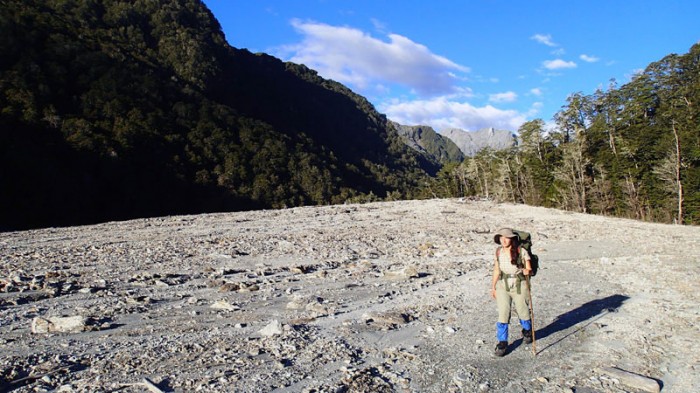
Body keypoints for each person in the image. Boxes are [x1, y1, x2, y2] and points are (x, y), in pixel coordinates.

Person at [491, 228, 533, 357]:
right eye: (501, 237)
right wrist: (493, 287)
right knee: (503, 313)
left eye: (507, 237)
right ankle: (502, 342)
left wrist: (527, 271)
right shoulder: (498, 252)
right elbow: (497, 270)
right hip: (503, 285)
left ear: (512, 238)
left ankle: (527, 331)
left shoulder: (521, 251)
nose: (503, 240)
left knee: (523, 312)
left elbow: (529, 269)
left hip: (520, 285)